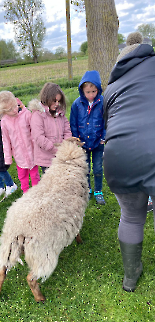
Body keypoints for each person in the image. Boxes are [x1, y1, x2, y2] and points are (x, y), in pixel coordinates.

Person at [103, 32, 155, 292]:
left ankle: (130, 277)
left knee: (132, 217)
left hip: (118, 158)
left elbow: (107, 126)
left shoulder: (111, 88)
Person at [70, 70, 106, 205]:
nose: (91, 95)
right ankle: (87, 189)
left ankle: (98, 190)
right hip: (83, 143)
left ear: (98, 89)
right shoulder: (77, 104)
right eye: (88, 92)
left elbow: (106, 121)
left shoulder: (102, 102)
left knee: (97, 168)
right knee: (85, 169)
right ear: (82, 91)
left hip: (98, 143)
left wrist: (104, 137)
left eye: (94, 91)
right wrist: (76, 139)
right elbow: (73, 123)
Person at [0, 91, 40, 193]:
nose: (14, 110)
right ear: (3, 111)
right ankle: (25, 192)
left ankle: (37, 192)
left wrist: (37, 147)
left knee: (35, 175)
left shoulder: (26, 114)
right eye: (10, 110)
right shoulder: (4, 122)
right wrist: (8, 158)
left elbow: (34, 131)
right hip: (19, 155)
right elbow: (5, 141)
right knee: (22, 176)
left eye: (14, 106)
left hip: (32, 152)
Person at [29, 82, 72, 173]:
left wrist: (66, 145)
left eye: (59, 101)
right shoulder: (38, 115)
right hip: (46, 159)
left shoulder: (61, 114)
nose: (57, 104)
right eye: (54, 101)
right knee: (51, 183)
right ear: (46, 98)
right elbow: (39, 137)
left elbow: (67, 131)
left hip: (62, 156)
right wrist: (55, 149)